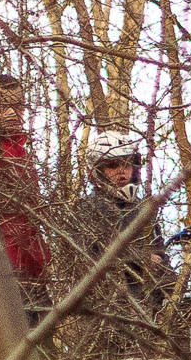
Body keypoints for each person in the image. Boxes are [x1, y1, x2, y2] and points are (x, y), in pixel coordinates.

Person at [63, 133, 178, 310]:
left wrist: (175, 291)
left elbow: (161, 260)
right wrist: (139, 259)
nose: (122, 171)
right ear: (96, 171)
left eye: (127, 164)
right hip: (108, 309)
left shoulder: (144, 209)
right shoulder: (85, 210)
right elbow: (84, 262)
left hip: (151, 305)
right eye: (112, 165)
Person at [0, 76, 51, 290]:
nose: (13, 113)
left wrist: (40, 260)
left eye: (18, 105)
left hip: (32, 270)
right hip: (0, 271)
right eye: (3, 106)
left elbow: (32, 215)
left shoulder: (21, 153)